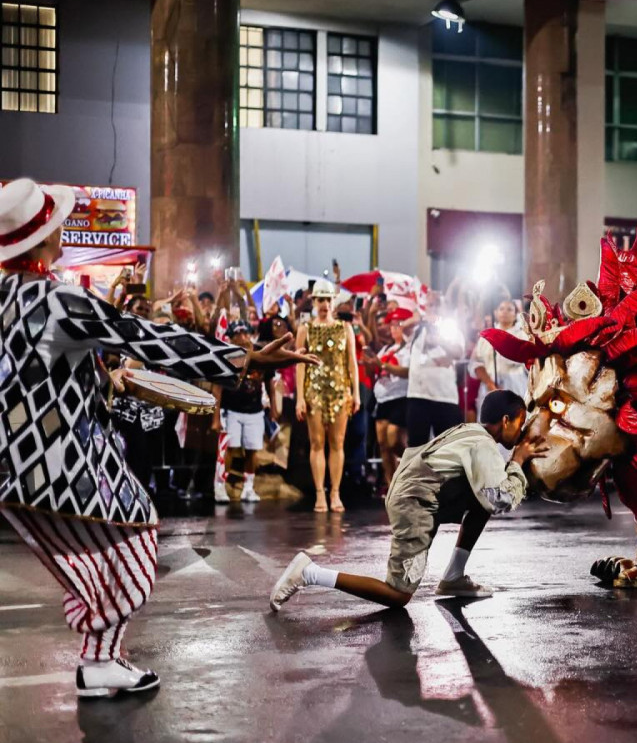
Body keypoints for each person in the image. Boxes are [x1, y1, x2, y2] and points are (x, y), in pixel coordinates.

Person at [0, 178, 315, 697]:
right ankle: (100, 657)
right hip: (56, 466)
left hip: (18, 466)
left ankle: (101, 654)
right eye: (56, 230)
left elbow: (35, 371)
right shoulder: (58, 301)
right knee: (137, 535)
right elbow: (146, 336)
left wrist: (101, 378)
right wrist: (244, 358)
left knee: (110, 548)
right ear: (43, 241)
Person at [269, 391, 548, 610]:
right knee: (398, 594)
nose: (522, 433)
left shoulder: (471, 430)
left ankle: (453, 577)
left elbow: (483, 496)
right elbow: (498, 500)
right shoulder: (483, 444)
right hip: (414, 503)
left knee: (480, 501)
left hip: (420, 493)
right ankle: (310, 573)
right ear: (506, 420)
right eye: (521, 423)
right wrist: (518, 462)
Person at [295, 281, 359, 513]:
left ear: (334, 302)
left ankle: (335, 493)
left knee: (337, 443)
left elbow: (352, 362)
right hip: (314, 391)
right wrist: (300, 397)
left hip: (340, 391)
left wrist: (356, 392)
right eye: (320, 300)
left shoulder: (345, 328)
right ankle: (320, 493)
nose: (324, 304)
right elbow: (299, 365)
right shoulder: (305, 328)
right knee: (316, 443)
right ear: (313, 302)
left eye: (328, 299)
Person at [211, 320, 271, 503]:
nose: (243, 338)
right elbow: (217, 389)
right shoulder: (227, 358)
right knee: (228, 448)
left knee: (253, 450)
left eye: (246, 333)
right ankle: (220, 486)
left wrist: (274, 407)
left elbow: (269, 381)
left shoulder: (260, 355)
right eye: (238, 334)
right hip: (231, 410)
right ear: (231, 338)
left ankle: (248, 488)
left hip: (254, 411)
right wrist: (215, 418)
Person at [405, 295, 466, 445]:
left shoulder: (451, 329)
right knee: (416, 447)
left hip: (445, 397)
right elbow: (402, 328)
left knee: (447, 448)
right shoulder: (418, 330)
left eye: (437, 305)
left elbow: (458, 352)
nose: (433, 309)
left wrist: (439, 339)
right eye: (430, 305)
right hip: (418, 396)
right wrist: (417, 319)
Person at [373, 307, 415, 487]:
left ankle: (409, 472)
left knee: (394, 438)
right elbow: (375, 369)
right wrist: (371, 364)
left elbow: (408, 372)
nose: (394, 328)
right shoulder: (386, 348)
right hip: (383, 398)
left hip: (401, 396)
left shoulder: (411, 348)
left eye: (398, 324)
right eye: (392, 325)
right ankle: (390, 483)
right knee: (382, 443)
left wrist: (384, 366)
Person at [469, 298, 529, 418]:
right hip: (489, 386)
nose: (505, 312)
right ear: (495, 313)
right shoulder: (487, 335)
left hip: (514, 384)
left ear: (516, 314)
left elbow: (524, 360)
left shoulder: (522, 335)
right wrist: (489, 383)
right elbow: (475, 363)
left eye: (509, 309)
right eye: (501, 309)